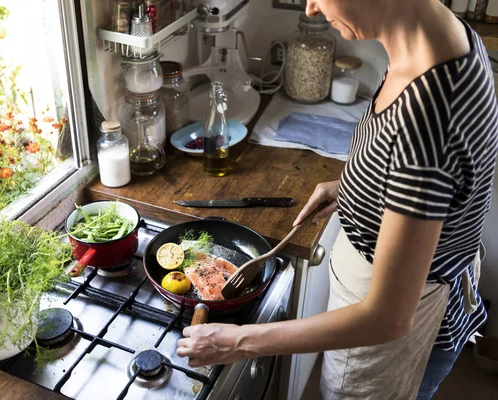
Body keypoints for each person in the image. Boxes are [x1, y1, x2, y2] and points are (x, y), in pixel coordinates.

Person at [176, 0, 498, 398]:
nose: (310, 9)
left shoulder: (429, 114)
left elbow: (387, 319)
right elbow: (429, 184)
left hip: (393, 329)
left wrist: (239, 341)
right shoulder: (437, 35)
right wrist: (356, 187)